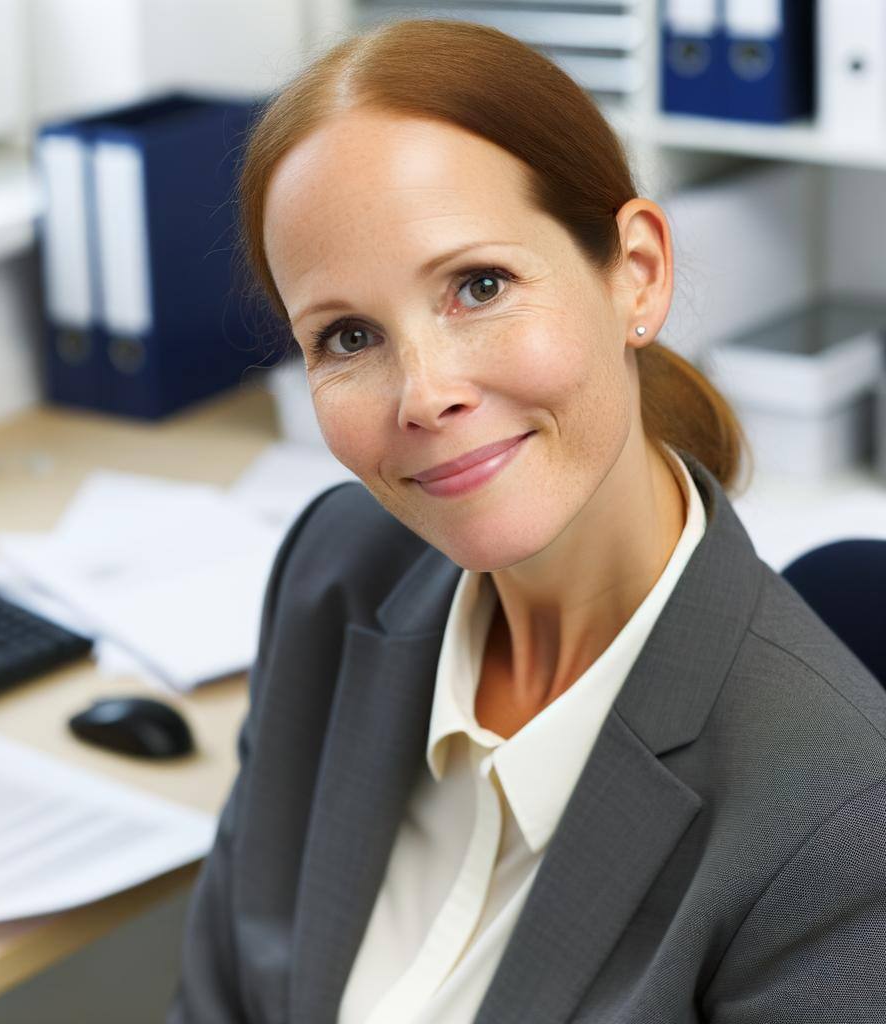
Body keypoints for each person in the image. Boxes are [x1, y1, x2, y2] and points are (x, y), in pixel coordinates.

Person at [168, 18, 886, 1024]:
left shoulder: (840, 831)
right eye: (348, 335)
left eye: (478, 285)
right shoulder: (334, 576)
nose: (422, 394)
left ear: (634, 271)